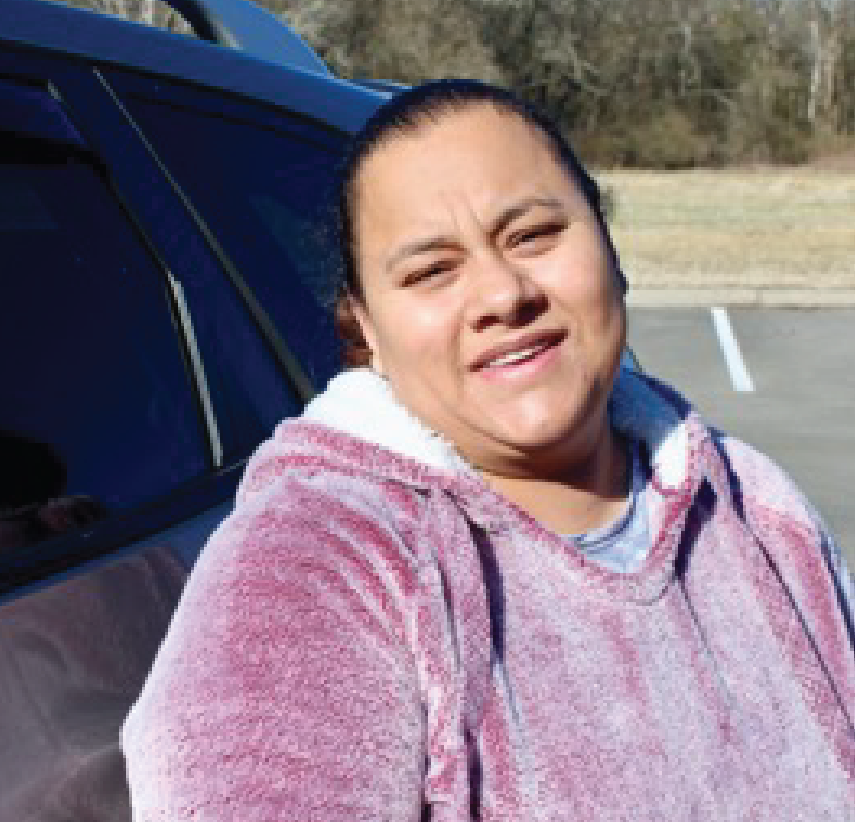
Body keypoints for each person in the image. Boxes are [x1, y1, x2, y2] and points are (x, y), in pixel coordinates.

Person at [121, 80, 855, 820]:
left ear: (609, 248)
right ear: (365, 331)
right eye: (431, 272)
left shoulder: (747, 501)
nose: (503, 295)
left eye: (532, 235)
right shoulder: (308, 570)